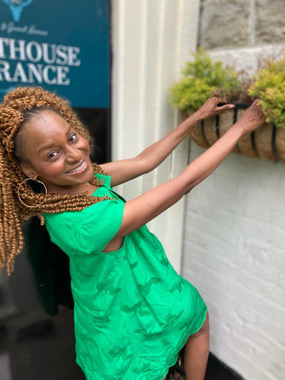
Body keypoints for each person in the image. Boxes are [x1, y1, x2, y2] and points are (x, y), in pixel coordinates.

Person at [0, 87, 265, 380]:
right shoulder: (86, 221)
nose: (75, 154)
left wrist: (196, 118)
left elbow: (144, 162)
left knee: (194, 320)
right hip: (126, 309)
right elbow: (185, 182)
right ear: (29, 169)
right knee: (161, 351)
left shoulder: (69, 187)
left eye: (72, 137)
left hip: (114, 299)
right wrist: (241, 126)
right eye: (53, 153)